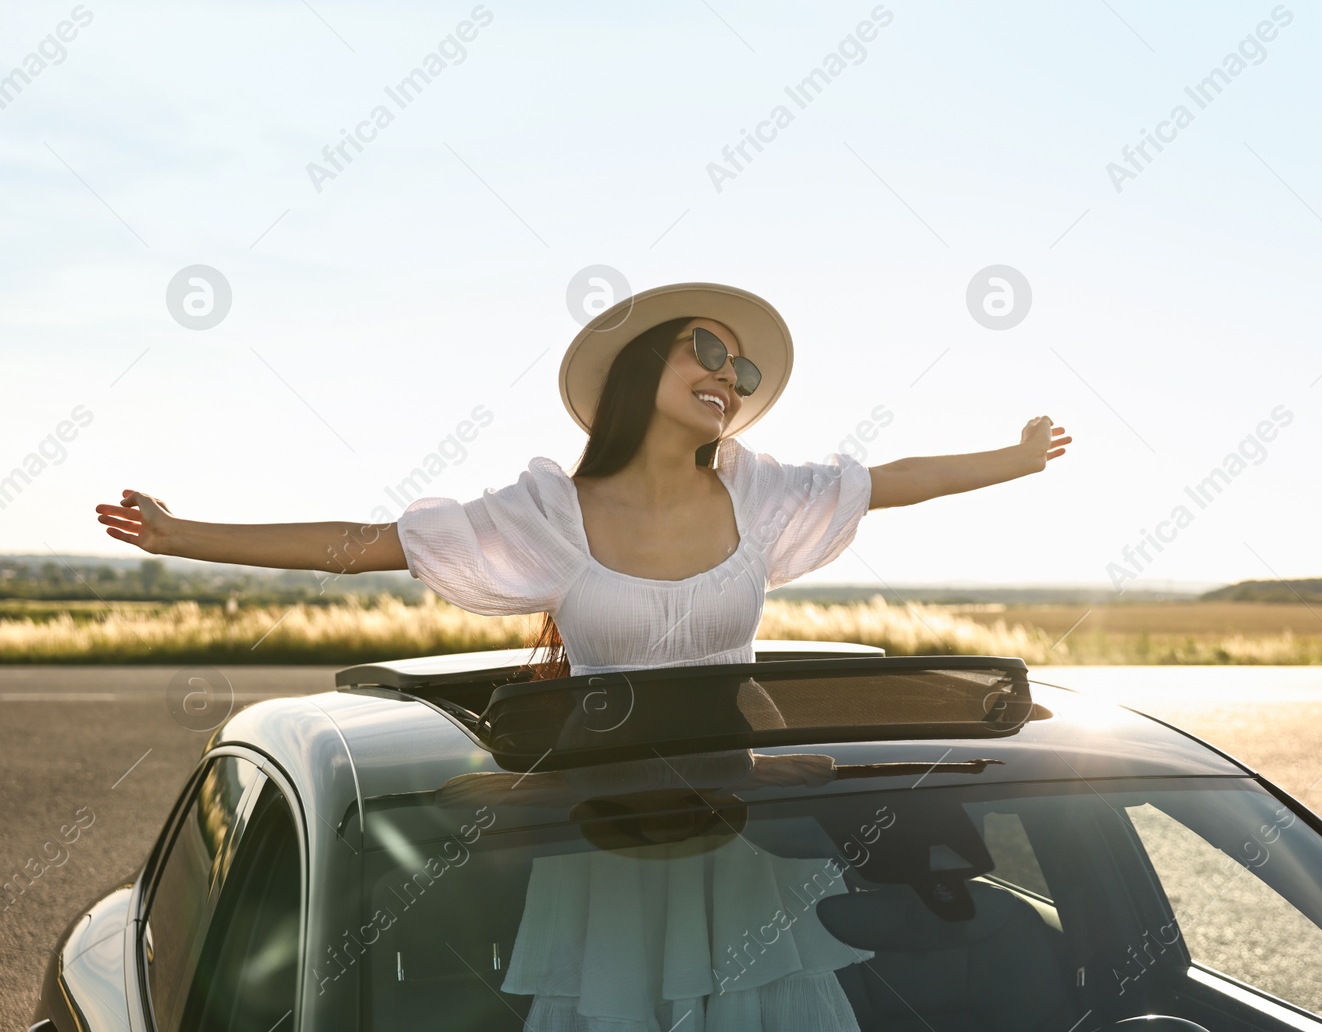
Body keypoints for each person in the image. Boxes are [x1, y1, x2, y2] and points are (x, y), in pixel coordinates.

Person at [93, 280, 1071, 1030]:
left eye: (744, 372)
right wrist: (183, 533)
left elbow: (894, 477)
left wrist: (1017, 456)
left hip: (743, 832)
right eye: (707, 351)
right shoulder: (548, 513)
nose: (729, 377)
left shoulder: (762, 494)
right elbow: (362, 541)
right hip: (599, 835)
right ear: (637, 368)